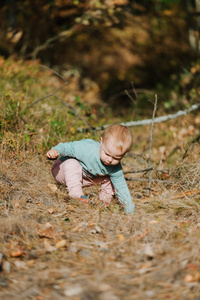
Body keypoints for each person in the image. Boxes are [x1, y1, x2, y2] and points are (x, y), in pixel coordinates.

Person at [46, 124, 135, 215]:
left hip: (84, 178)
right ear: (101, 142)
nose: (110, 160)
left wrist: (129, 209)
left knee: (112, 178)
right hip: (62, 170)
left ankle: (103, 202)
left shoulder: (115, 167)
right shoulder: (87, 148)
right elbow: (67, 147)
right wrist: (56, 151)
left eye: (116, 158)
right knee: (72, 163)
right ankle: (78, 198)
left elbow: (122, 188)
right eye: (107, 154)